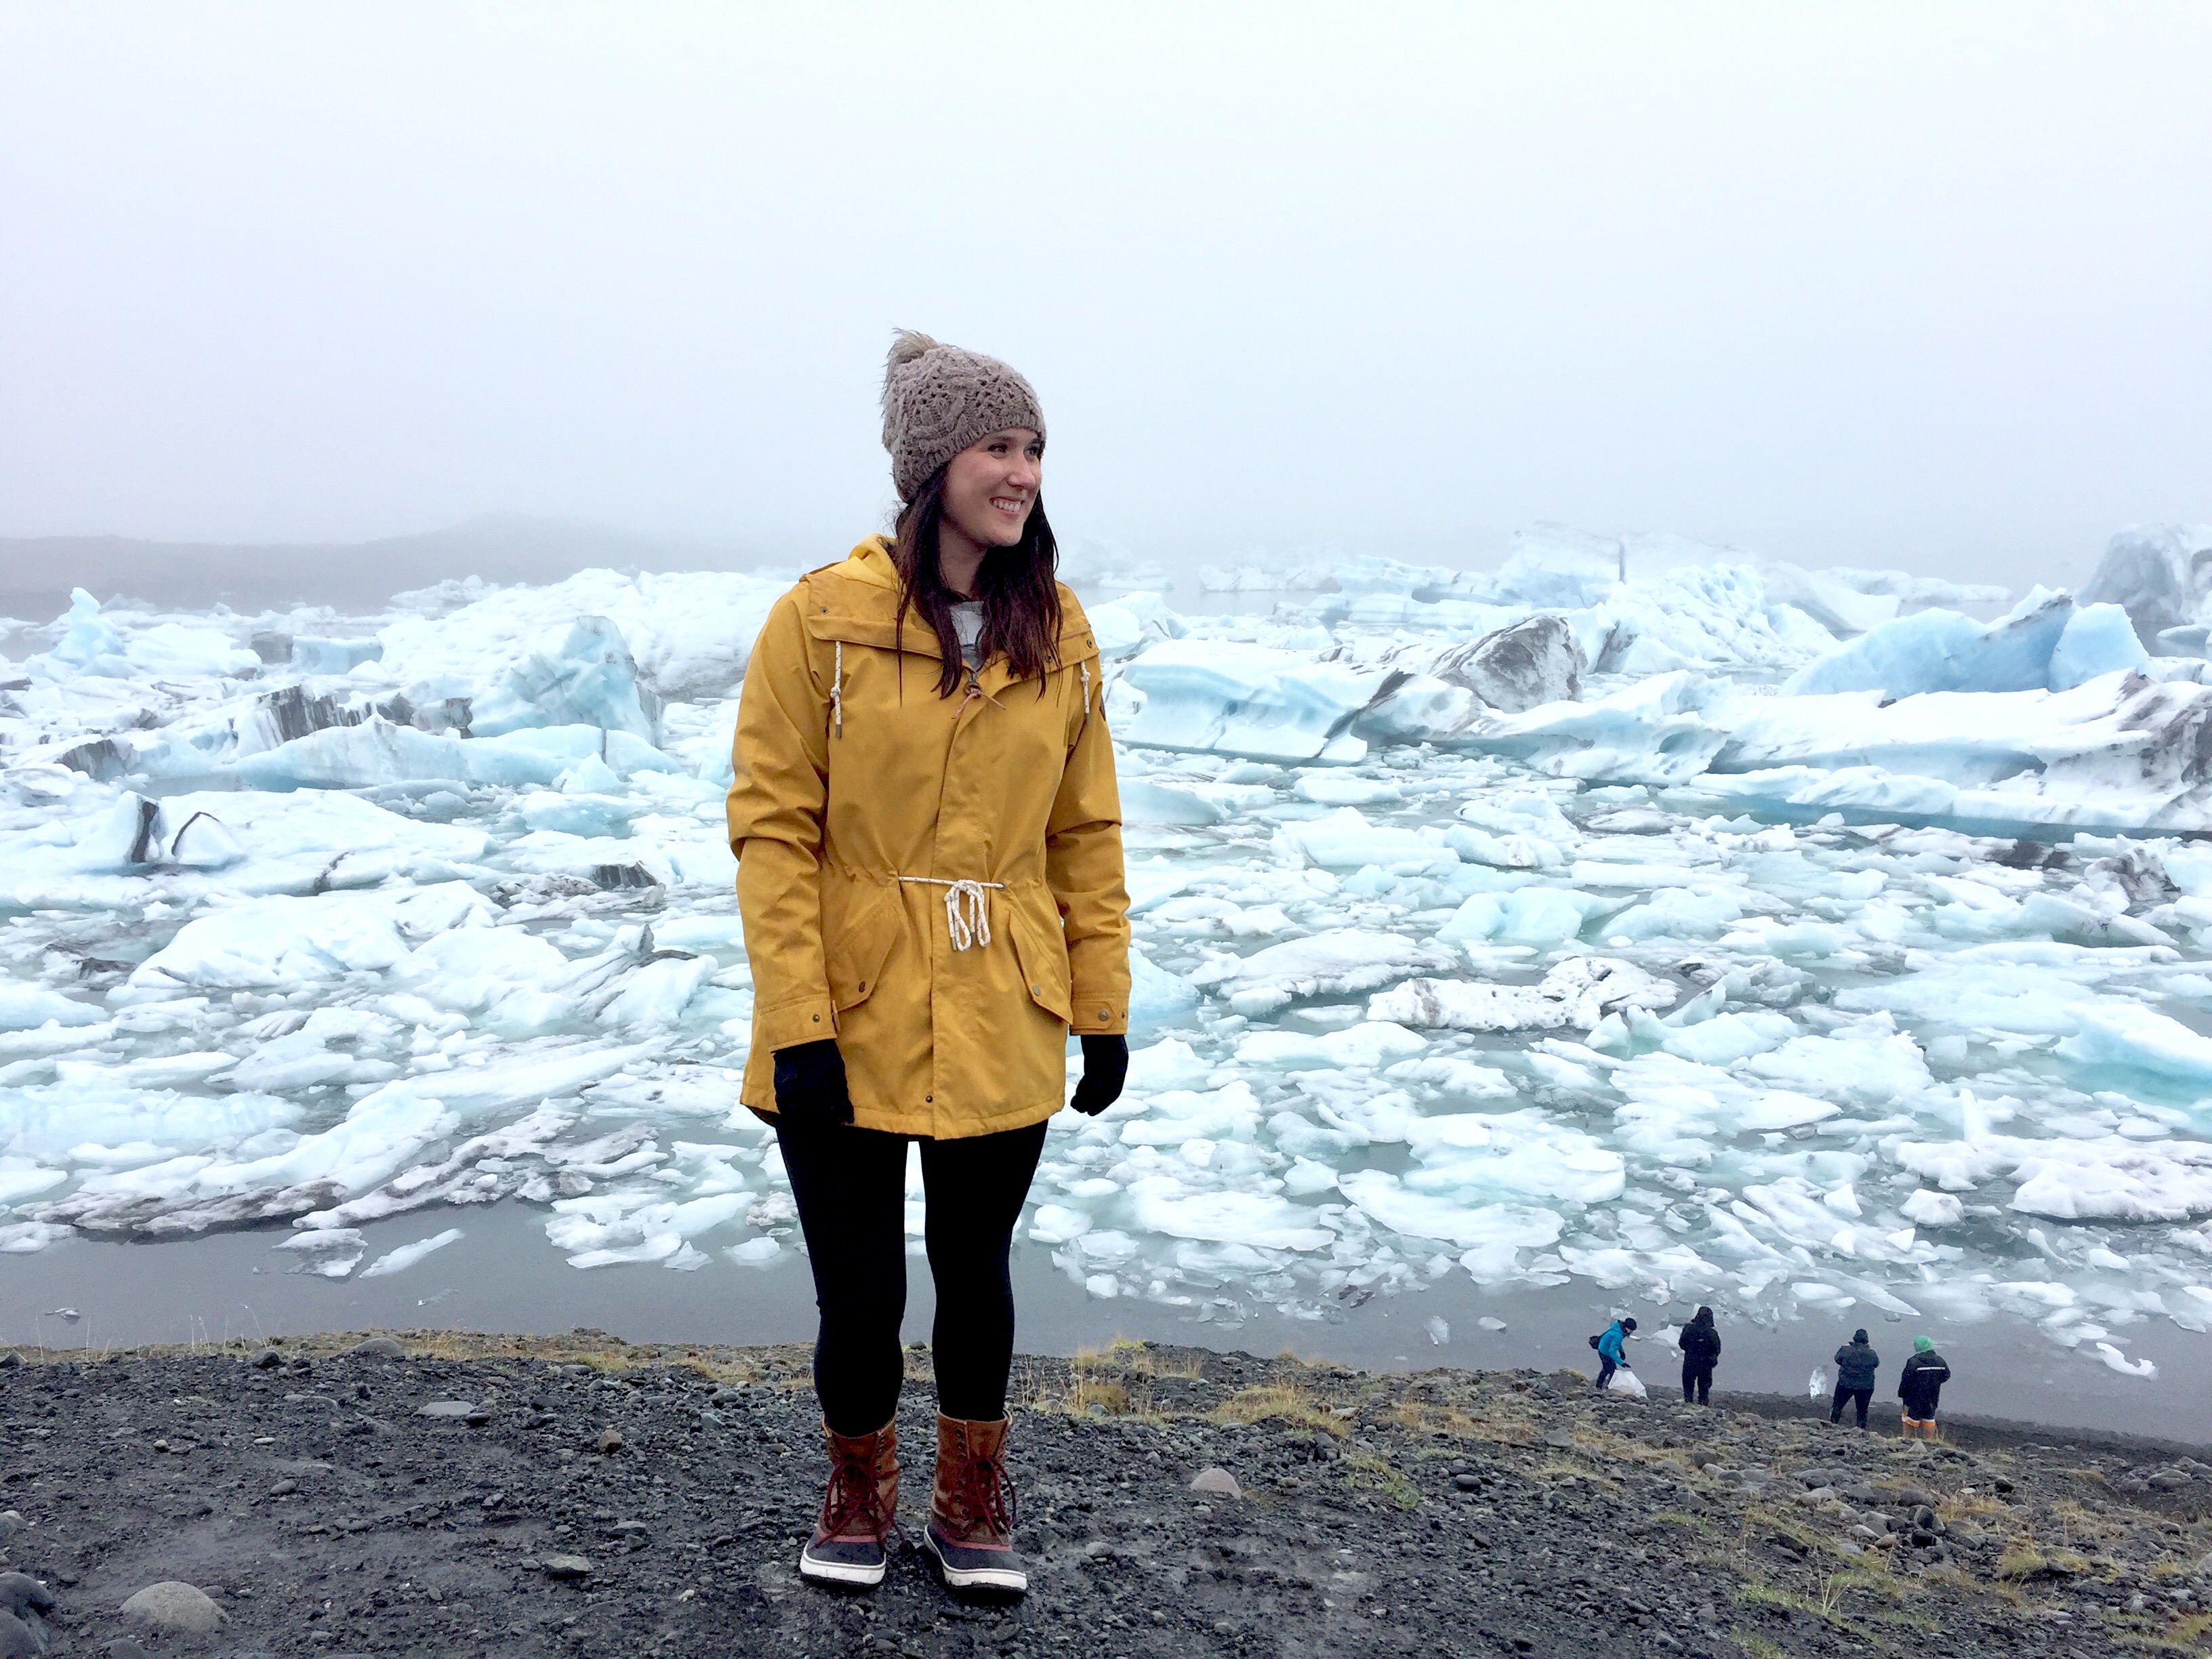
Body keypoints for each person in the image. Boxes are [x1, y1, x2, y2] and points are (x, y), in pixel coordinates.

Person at [727, 331, 1133, 1597]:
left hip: (1004, 999)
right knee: (857, 1290)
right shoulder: (820, 622)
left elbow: (1083, 832)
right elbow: (773, 827)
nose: (1022, 473)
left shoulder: (1055, 632)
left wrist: (1101, 1007)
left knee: (976, 1274)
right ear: (930, 465)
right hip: (845, 1008)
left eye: (1033, 449)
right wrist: (795, 1021)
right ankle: (856, 1491)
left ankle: (970, 1502)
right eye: (998, 446)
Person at [1898, 1336, 1952, 1438]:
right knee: (1929, 1420)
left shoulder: (1913, 1362)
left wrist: (1902, 1394)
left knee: (1910, 1420)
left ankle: (1907, 1440)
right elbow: (1946, 1375)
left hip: (1914, 1397)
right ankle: (1930, 1442)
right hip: (1932, 1397)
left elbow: (1906, 1380)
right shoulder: (1940, 1361)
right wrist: (1935, 1382)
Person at [1830, 1328, 1880, 1428]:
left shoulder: (1845, 1350)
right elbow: (1876, 1364)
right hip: (1865, 1386)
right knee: (1862, 1411)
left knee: (1837, 1406)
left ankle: (1832, 1425)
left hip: (1845, 1383)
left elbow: (1837, 1359)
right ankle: (1860, 1431)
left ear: (1854, 1338)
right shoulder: (1871, 1353)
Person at [1678, 1306, 1721, 1404]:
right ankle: (1703, 1404)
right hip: (1706, 1363)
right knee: (1704, 1386)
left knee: (1688, 1383)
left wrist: (1691, 1349)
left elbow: (1682, 1343)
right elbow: (1717, 1349)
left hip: (1690, 1360)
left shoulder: (1689, 1328)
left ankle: (1688, 1402)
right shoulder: (1712, 1333)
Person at [1594, 1316, 1637, 1391]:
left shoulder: (1618, 1329)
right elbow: (1612, 1352)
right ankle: (1606, 1387)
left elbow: (1617, 1343)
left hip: (1602, 1348)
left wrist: (1621, 1351)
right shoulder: (1619, 1335)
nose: (1632, 1332)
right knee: (1611, 1370)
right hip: (1605, 1352)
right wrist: (1622, 1363)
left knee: (1608, 1369)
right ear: (1627, 1328)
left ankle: (1600, 1386)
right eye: (1631, 1330)